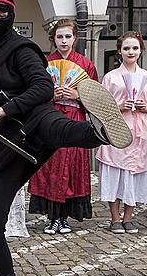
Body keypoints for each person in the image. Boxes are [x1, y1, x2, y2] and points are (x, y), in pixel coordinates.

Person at [0, 0, 131, 276]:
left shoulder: (21, 49)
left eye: (0, 15)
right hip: (2, 145)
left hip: (34, 119)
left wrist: (3, 110)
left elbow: (43, 88)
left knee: (61, 130)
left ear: (10, 16)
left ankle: (100, 130)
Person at [28, 20, 99, 234]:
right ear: (53, 39)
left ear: (74, 38)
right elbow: (34, 94)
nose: (64, 41)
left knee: (72, 165)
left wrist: (78, 95)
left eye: (68, 36)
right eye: (59, 37)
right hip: (52, 117)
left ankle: (65, 217)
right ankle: (53, 217)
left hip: (75, 118)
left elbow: (96, 97)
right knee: (51, 163)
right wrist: (51, 95)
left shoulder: (86, 65)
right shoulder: (45, 63)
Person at [97, 32, 147, 234]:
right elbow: (102, 106)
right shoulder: (110, 78)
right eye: (126, 48)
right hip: (118, 130)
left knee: (134, 174)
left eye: (134, 48)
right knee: (115, 173)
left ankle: (128, 217)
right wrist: (119, 105)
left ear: (140, 50)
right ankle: (115, 218)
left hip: (141, 132)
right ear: (119, 51)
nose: (131, 52)